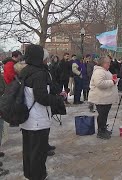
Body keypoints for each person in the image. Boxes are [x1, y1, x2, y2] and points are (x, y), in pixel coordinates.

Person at [20, 45, 64, 179]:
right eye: (45, 58)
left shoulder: (26, 70)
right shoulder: (39, 73)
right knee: (38, 152)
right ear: (40, 58)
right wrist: (58, 99)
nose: (47, 60)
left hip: (27, 118)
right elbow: (42, 97)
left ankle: (31, 174)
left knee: (29, 151)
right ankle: (38, 176)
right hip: (37, 119)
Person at [88, 56, 118, 140]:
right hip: (100, 98)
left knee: (104, 115)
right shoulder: (99, 71)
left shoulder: (104, 71)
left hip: (105, 97)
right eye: (108, 62)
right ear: (103, 63)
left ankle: (103, 129)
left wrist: (113, 79)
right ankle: (101, 132)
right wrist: (112, 81)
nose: (109, 64)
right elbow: (99, 83)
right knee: (102, 115)